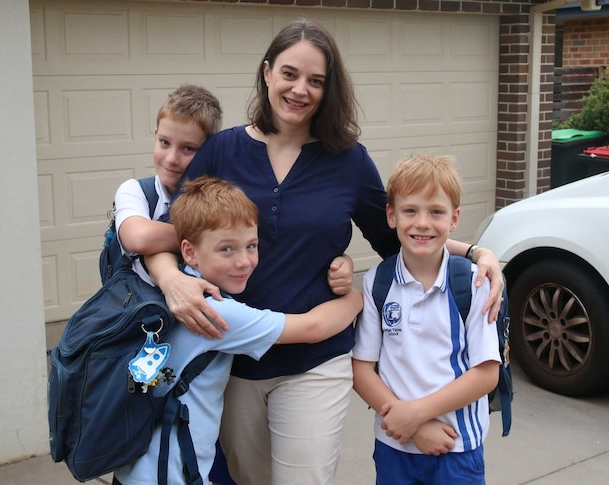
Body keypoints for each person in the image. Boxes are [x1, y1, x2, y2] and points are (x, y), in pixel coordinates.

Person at [145, 19, 505, 485]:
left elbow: (395, 232)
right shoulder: (221, 151)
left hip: (317, 360)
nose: (301, 90)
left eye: (316, 80)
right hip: (230, 360)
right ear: (268, 72)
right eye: (290, 74)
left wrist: (474, 253)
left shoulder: (347, 160)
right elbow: (166, 236)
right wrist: (170, 279)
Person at [112, 176, 364, 485]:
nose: (243, 261)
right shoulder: (216, 312)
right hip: (172, 472)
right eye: (227, 249)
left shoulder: (169, 284)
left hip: (134, 465)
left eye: (251, 246)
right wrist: (358, 297)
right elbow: (313, 327)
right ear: (189, 251)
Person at [352, 155, 500, 485]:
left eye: (436, 212)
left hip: (456, 446)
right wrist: (413, 427)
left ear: (454, 219)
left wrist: (416, 416)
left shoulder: (474, 284)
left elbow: (487, 373)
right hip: (395, 445)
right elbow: (361, 370)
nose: (422, 223)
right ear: (391, 215)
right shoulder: (377, 282)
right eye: (410, 211)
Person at [114, 84, 223, 287]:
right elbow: (139, 237)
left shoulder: (221, 196)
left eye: (188, 148)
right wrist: (219, 238)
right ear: (155, 135)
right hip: (146, 313)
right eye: (164, 142)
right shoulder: (135, 191)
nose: (172, 158)